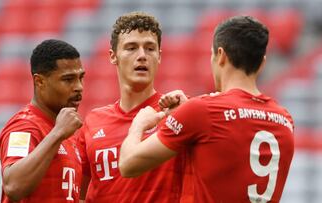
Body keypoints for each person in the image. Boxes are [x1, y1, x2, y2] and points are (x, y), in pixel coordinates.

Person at [119, 16, 295, 203]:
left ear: (221, 55)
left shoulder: (203, 111)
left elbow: (128, 164)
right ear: (262, 63)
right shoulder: (284, 119)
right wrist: (188, 113)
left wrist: (137, 125)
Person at [78, 11, 191, 202]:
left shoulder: (179, 111)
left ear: (159, 56)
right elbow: (80, 193)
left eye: (150, 48)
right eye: (131, 48)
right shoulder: (93, 122)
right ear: (113, 56)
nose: (142, 56)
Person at [0, 39, 85, 203]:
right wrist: (57, 134)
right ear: (40, 82)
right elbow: (14, 186)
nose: (79, 86)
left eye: (80, 78)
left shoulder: (68, 134)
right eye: (68, 79)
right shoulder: (24, 126)